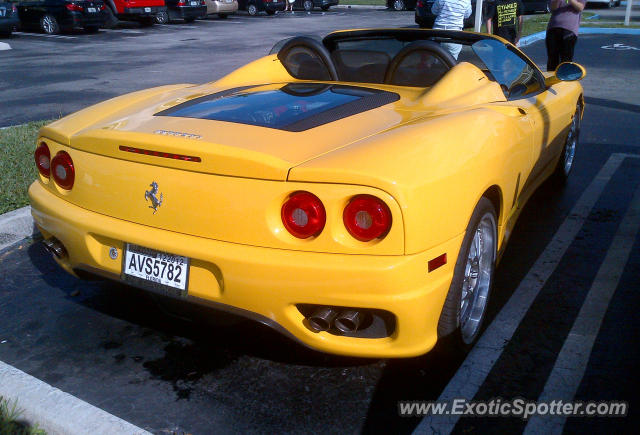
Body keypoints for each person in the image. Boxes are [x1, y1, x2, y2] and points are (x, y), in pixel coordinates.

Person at [545, 0, 586, 71]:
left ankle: (565, 79)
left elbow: (580, 8)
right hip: (553, 27)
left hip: (569, 30)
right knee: (552, 59)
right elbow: (552, 8)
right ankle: (552, 80)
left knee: (566, 60)